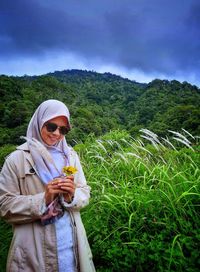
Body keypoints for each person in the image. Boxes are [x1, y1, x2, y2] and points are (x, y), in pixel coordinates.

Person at [0, 99, 95, 272]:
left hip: (71, 248)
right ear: (39, 122)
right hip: (34, 253)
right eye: (51, 126)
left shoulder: (70, 156)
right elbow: (4, 205)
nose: (57, 133)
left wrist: (72, 196)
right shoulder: (17, 159)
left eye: (63, 129)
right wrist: (43, 199)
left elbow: (85, 192)